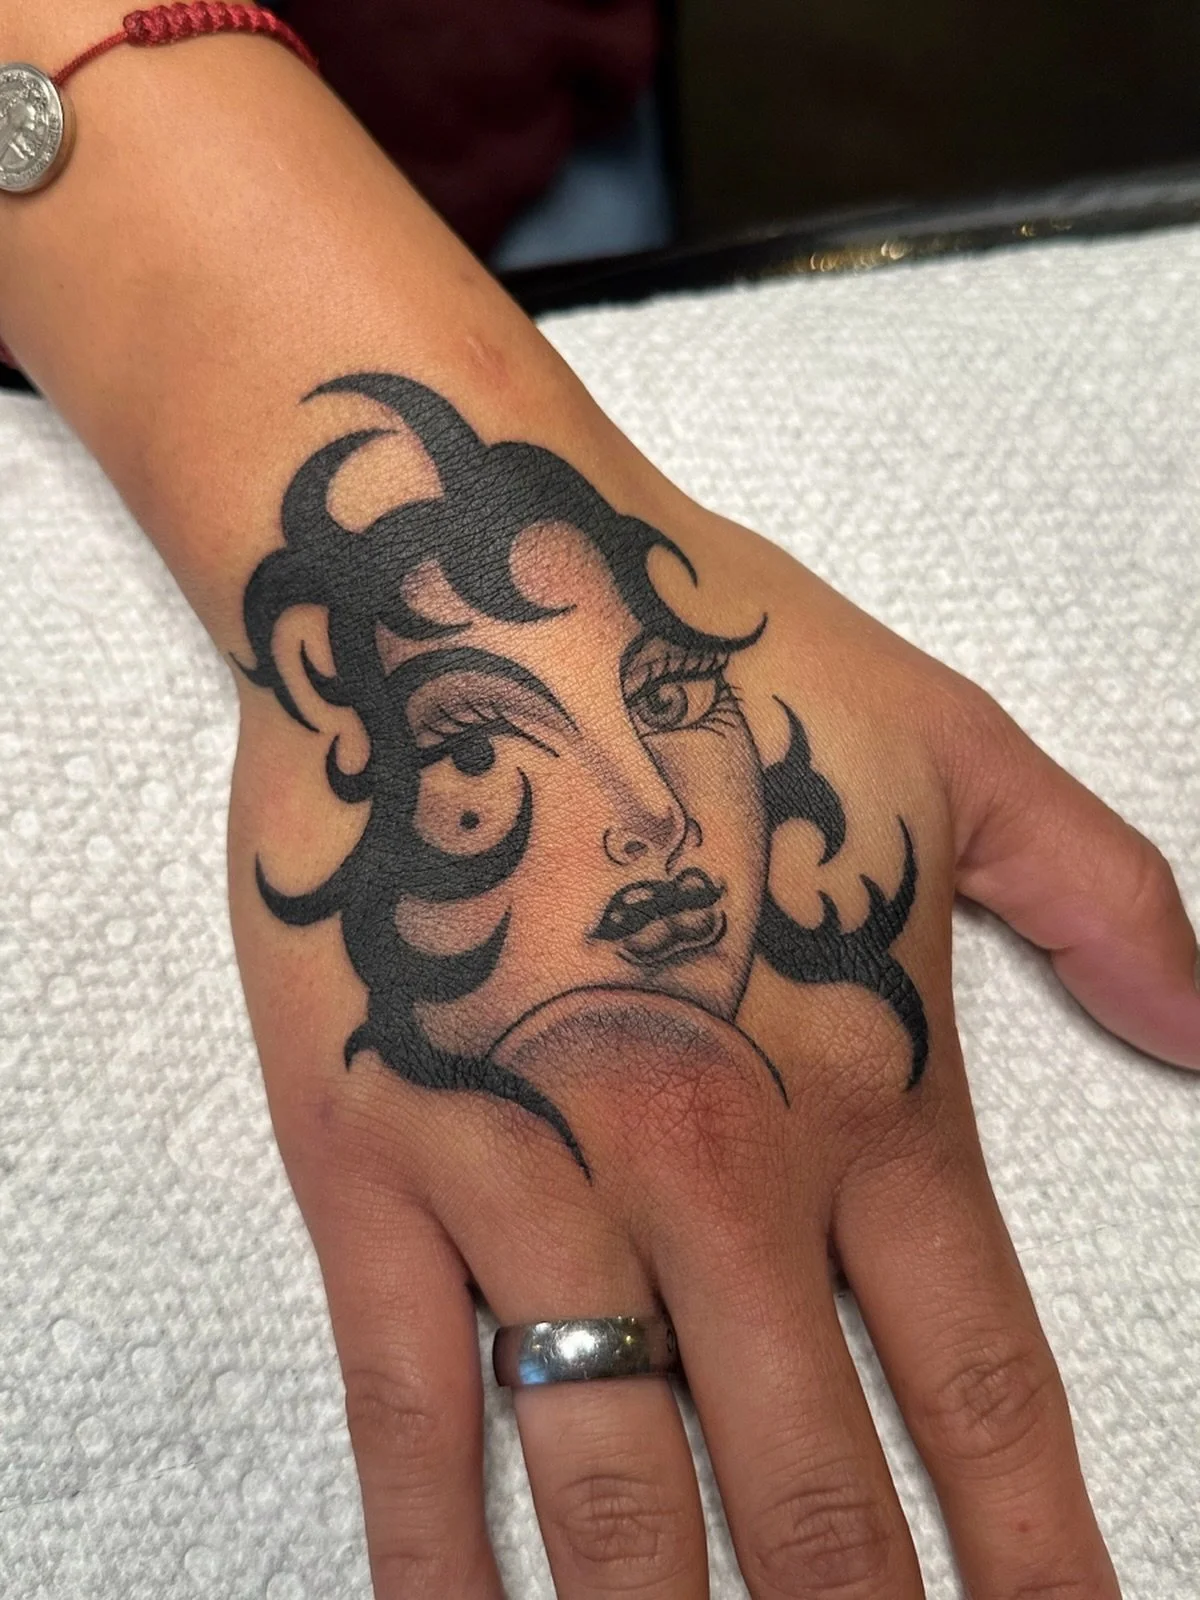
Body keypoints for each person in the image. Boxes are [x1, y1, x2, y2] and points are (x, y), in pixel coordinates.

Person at [1, 7, 1197, 1598]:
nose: (647, 820)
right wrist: (167, 223)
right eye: (480, 749)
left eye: (672, 696)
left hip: (533, 122)